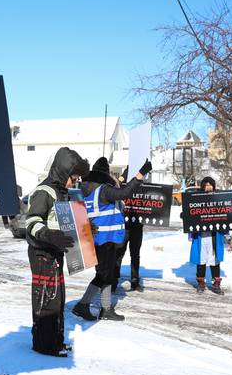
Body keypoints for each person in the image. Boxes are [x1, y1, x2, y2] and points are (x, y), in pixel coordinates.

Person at [25, 147, 90, 356]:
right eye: (74, 177)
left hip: (55, 252)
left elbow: (66, 222)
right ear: (63, 172)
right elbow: (32, 222)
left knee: (57, 298)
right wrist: (49, 236)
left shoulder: (63, 192)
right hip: (41, 252)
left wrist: (85, 229)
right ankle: (45, 344)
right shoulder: (44, 192)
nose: (75, 181)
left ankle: (55, 340)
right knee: (46, 298)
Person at [71, 157, 151, 322]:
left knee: (105, 275)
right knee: (103, 276)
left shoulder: (86, 190)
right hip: (105, 239)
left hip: (96, 239)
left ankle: (104, 308)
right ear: (105, 175)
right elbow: (125, 193)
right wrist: (140, 174)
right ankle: (85, 305)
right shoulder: (103, 190)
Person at [187, 176, 232, 294]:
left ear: (213, 186)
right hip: (201, 236)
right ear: (203, 187)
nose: (208, 187)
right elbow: (190, 212)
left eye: (210, 185)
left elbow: (229, 211)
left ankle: (216, 284)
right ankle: (201, 283)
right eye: (206, 185)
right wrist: (185, 216)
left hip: (214, 235)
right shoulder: (195, 199)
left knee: (214, 260)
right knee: (201, 260)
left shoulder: (220, 199)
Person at [113, 167, 144, 292]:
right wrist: (123, 177)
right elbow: (116, 184)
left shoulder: (143, 185)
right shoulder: (123, 182)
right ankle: (114, 281)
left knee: (135, 254)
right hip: (124, 225)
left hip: (137, 226)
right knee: (118, 253)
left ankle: (135, 281)